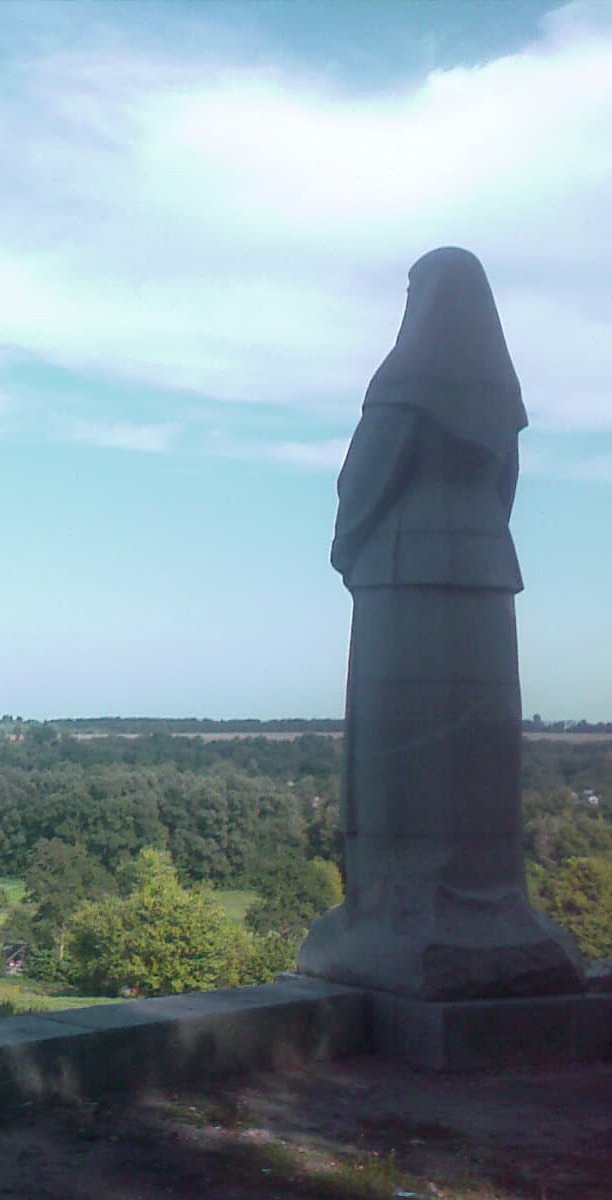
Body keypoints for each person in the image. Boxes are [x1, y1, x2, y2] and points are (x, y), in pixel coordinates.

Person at [298, 247, 582, 998]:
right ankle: (484, 905)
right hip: (486, 579)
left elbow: (366, 480)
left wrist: (347, 546)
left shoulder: (403, 380)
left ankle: (398, 912)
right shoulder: (499, 397)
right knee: (478, 754)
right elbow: (506, 488)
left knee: (401, 754)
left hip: (402, 576)